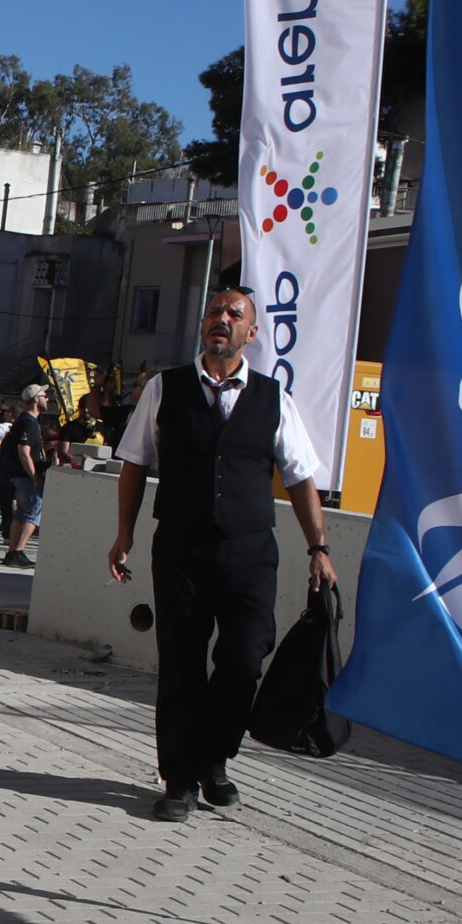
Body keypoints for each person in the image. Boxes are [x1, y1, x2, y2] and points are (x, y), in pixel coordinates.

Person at [110, 286, 334, 823]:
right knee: (181, 663)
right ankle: (182, 778)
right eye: (215, 312)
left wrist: (318, 548)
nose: (222, 320)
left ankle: (216, 757)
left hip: (250, 551)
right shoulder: (165, 389)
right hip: (182, 549)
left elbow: (301, 478)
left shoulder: (273, 397)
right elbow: (135, 464)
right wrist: (125, 535)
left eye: (235, 315)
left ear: (251, 333)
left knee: (242, 661)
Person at [0, 385, 50, 566]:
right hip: (27, 477)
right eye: (44, 395)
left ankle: (12, 551)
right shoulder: (28, 422)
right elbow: (23, 452)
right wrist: (35, 476)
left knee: (21, 514)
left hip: (21, 475)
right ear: (36, 399)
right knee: (32, 514)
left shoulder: (27, 421)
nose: (47, 398)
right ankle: (18, 550)